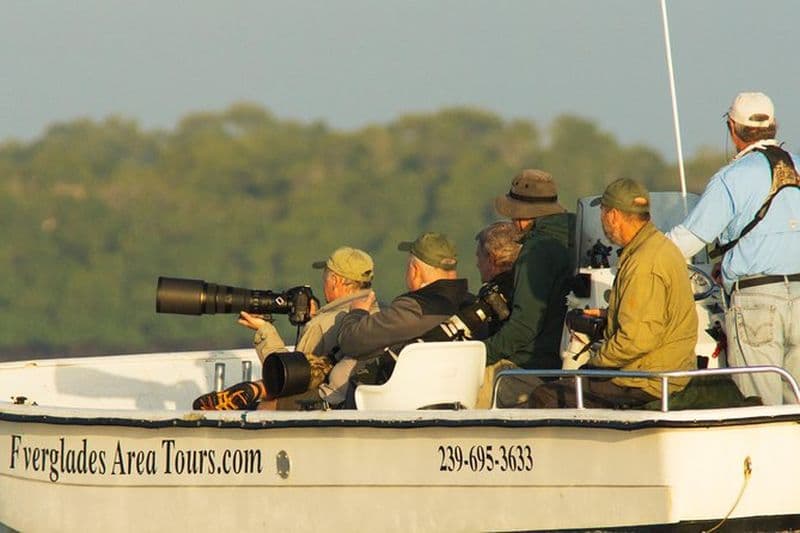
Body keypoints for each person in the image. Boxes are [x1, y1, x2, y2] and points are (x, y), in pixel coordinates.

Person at [666, 92, 800, 405]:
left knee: (759, 408)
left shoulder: (733, 177)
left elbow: (688, 239)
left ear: (732, 127)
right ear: (774, 126)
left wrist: (641, 253)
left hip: (756, 303)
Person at [529, 179, 698, 408]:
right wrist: (609, 315)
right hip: (662, 368)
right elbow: (651, 317)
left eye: (602, 211)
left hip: (646, 380)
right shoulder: (659, 246)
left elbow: (634, 340)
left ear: (613, 215)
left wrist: (594, 364)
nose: (601, 219)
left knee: (546, 396)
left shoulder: (643, 263)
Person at [193, 246, 378, 410]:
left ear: (336, 281)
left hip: (331, 401)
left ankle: (252, 392)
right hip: (362, 397)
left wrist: (264, 330)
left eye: (325, 277)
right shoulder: (379, 316)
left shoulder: (323, 324)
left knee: (261, 408)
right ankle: (254, 389)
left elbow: (292, 377)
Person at [334, 232, 472, 395]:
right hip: (460, 396)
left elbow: (352, 341)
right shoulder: (473, 308)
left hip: (405, 400)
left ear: (414, 270)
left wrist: (358, 312)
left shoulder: (414, 309)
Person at [484, 169, 576, 370]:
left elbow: (523, 327)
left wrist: (481, 354)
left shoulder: (536, 250)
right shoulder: (578, 235)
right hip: (568, 360)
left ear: (522, 215)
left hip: (534, 364)